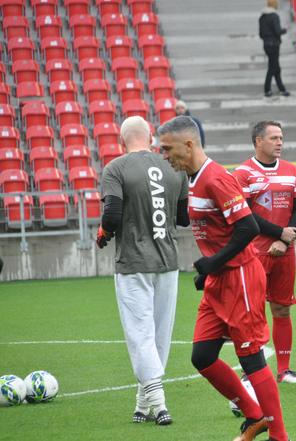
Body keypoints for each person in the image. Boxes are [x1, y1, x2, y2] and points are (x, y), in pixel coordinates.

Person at [158, 116, 289, 441]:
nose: (164, 155)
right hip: (220, 278)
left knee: (251, 357)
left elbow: (248, 227)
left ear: (188, 145)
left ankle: (279, 436)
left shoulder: (216, 177)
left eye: (167, 148)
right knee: (202, 357)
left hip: (241, 278)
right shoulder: (192, 178)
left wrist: (213, 262)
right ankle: (255, 415)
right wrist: (211, 270)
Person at [97, 116, 189, 425]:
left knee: (140, 335)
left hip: (134, 263)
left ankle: (160, 404)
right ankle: (143, 402)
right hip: (168, 262)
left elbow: (111, 215)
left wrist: (103, 234)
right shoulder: (174, 167)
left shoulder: (116, 168)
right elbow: (184, 217)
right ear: (150, 137)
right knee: (159, 335)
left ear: (122, 141)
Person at [233, 121, 296, 384]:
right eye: (274, 138)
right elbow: (245, 214)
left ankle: (284, 369)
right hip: (254, 252)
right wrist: (278, 234)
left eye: (281, 138)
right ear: (258, 141)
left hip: (285, 250)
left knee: (282, 308)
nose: (279, 143)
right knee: (252, 313)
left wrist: (285, 241)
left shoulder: (291, 171)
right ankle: (251, 370)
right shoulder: (242, 173)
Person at [259, 0, 290, 98]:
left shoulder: (262, 17)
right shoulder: (274, 16)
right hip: (274, 45)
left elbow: (261, 34)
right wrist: (284, 30)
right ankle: (267, 89)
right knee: (273, 68)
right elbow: (278, 31)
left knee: (276, 67)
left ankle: (282, 88)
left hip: (266, 45)